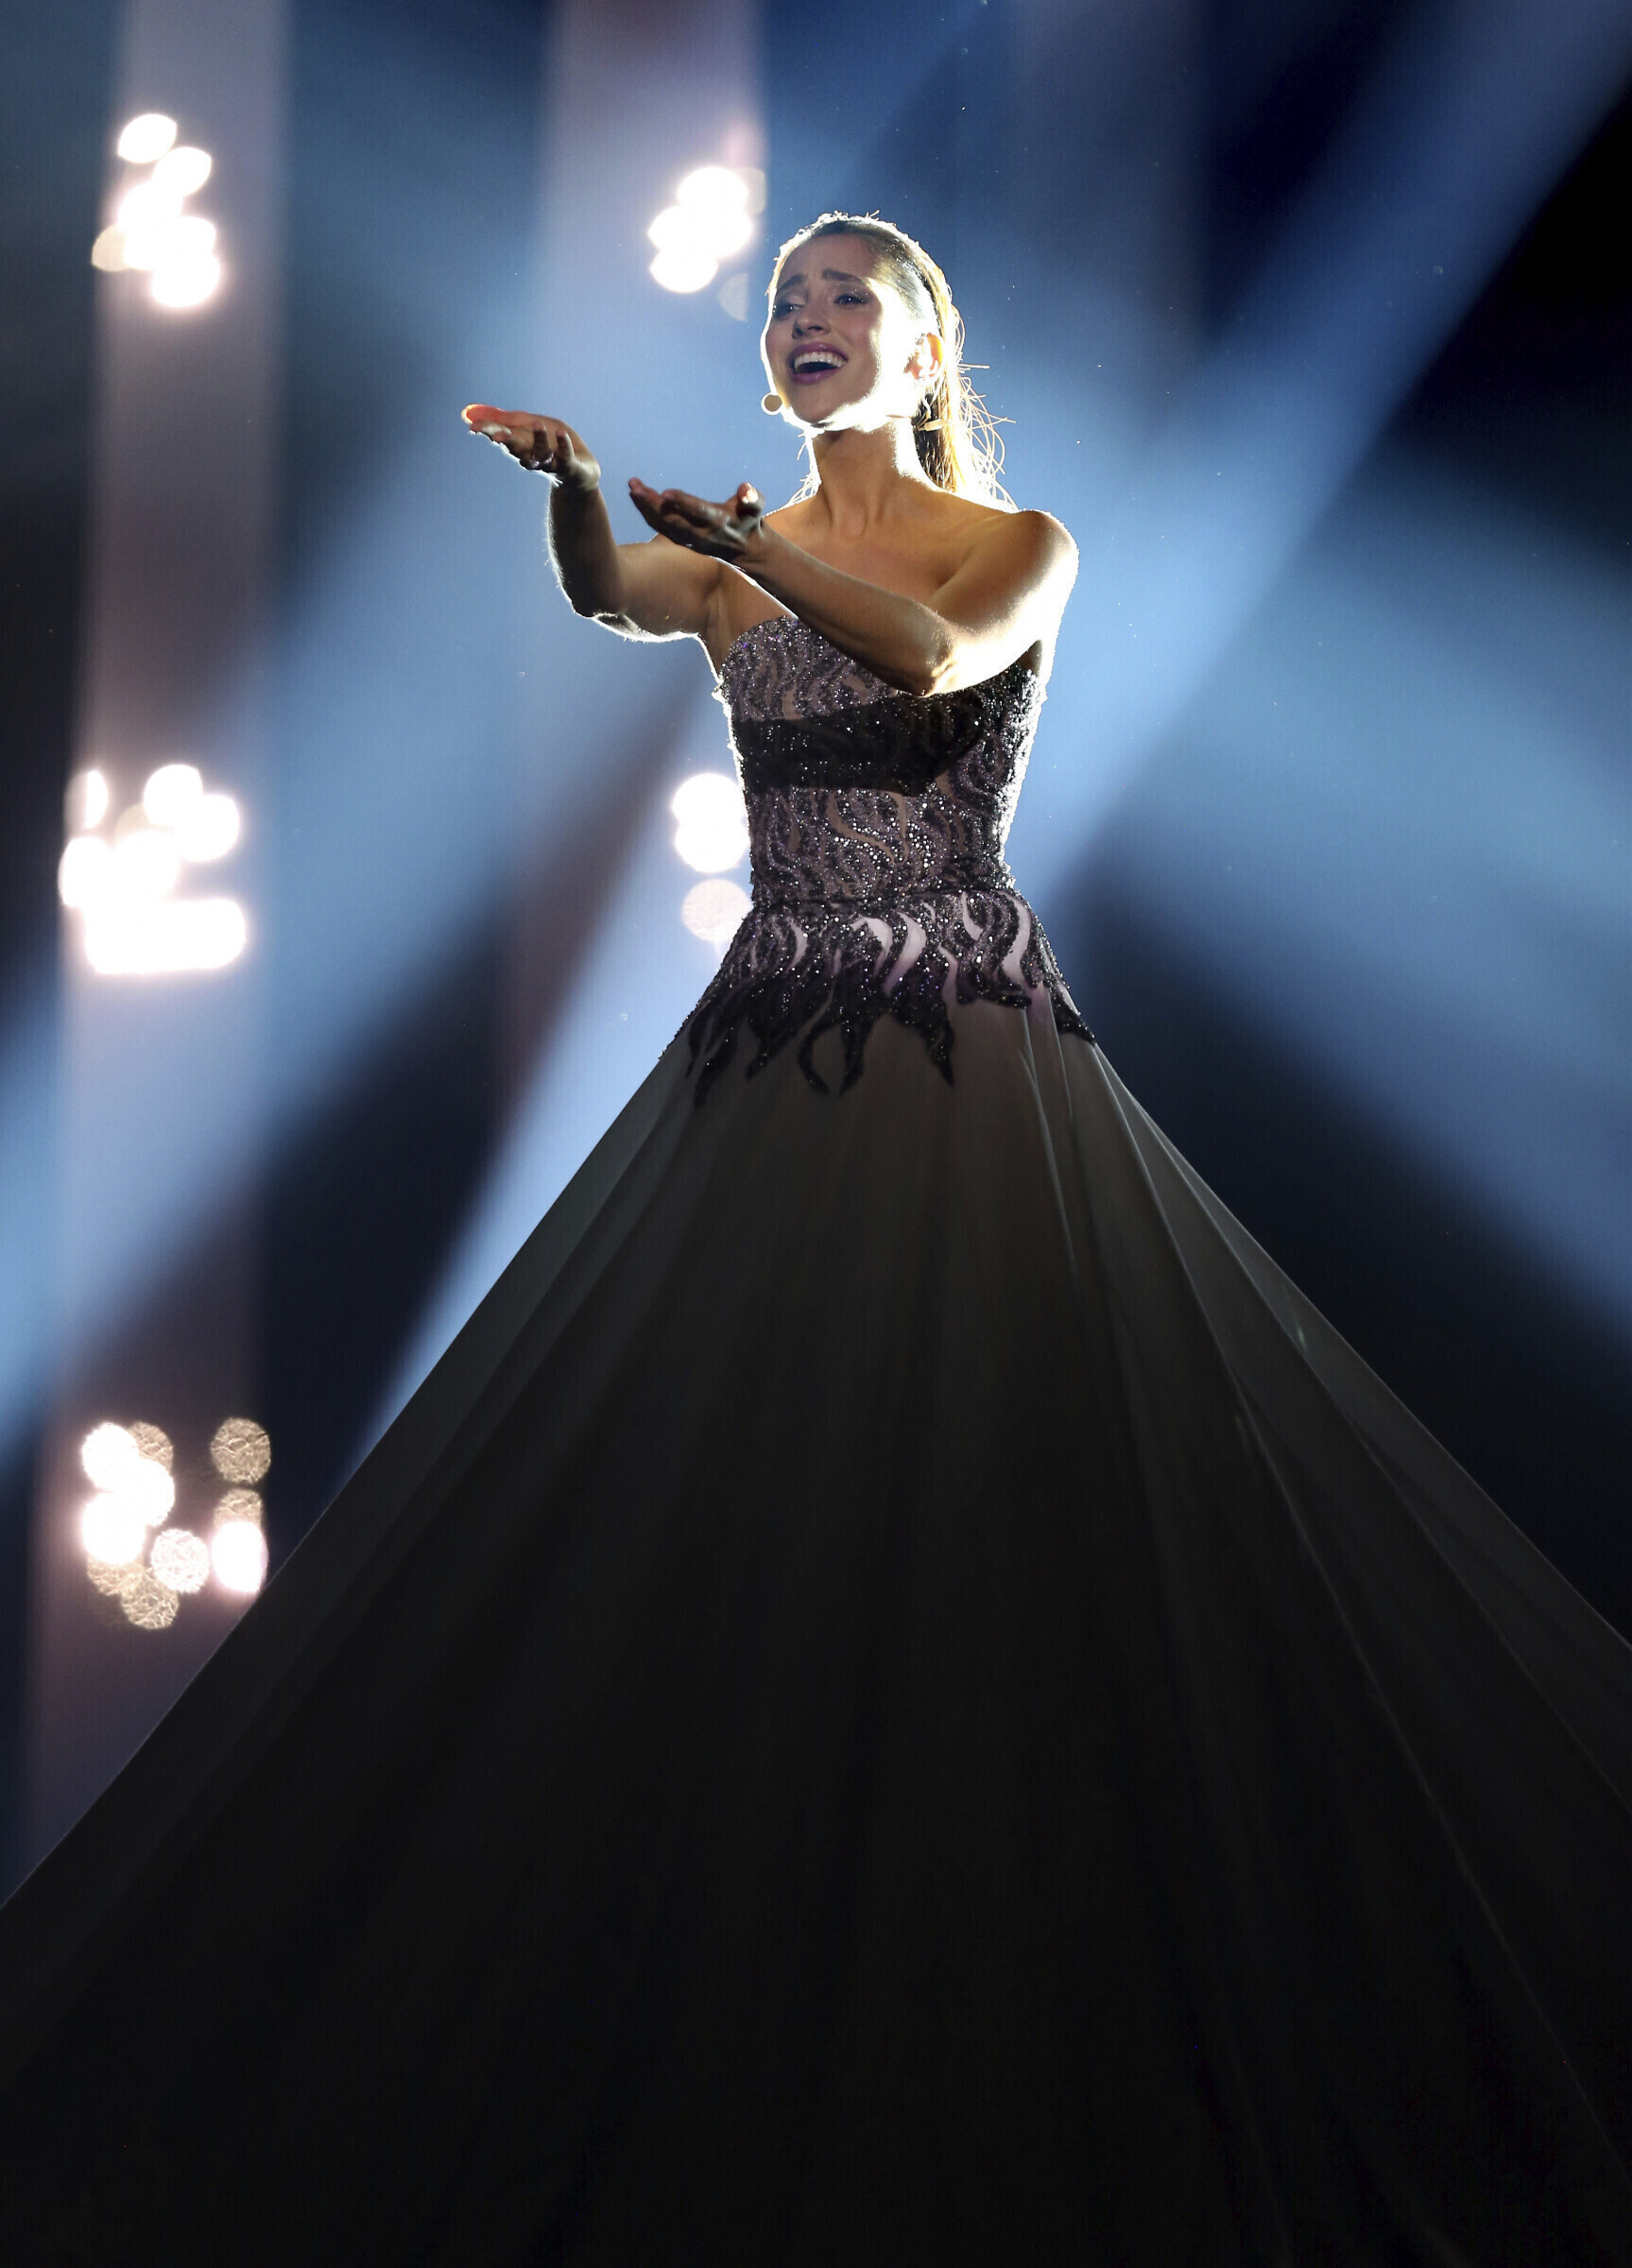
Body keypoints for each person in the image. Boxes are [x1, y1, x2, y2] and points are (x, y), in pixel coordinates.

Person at [0, 212, 1629, 2265]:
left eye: (847, 296)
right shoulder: (733, 545)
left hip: (957, 1042)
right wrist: (580, 493)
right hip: (771, 1031)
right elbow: (612, 594)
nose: (807, 320)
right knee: (725, 1481)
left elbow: (928, 659)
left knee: (997, 1484)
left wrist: (749, 554)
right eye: (786, 303)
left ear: (925, 344)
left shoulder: (1012, 544)